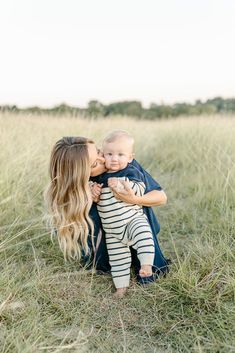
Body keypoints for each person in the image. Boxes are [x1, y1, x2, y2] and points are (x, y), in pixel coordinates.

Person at [45, 136, 169, 294]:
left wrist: (133, 198)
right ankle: (120, 274)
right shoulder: (75, 191)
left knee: (134, 202)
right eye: (95, 163)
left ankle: (144, 262)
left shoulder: (122, 162)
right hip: (106, 250)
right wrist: (86, 199)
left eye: (98, 151)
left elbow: (161, 197)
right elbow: (74, 232)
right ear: (81, 174)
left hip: (137, 232)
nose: (104, 159)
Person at [94, 130, 156, 297]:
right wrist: (94, 191)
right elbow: (95, 198)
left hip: (132, 221)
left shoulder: (130, 172)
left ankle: (146, 265)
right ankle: (121, 287)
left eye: (121, 154)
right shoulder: (100, 176)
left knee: (144, 235)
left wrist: (123, 185)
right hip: (112, 230)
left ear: (130, 157)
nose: (114, 158)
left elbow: (139, 190)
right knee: (118, 259)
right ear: (102, 155)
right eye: (109, 154)